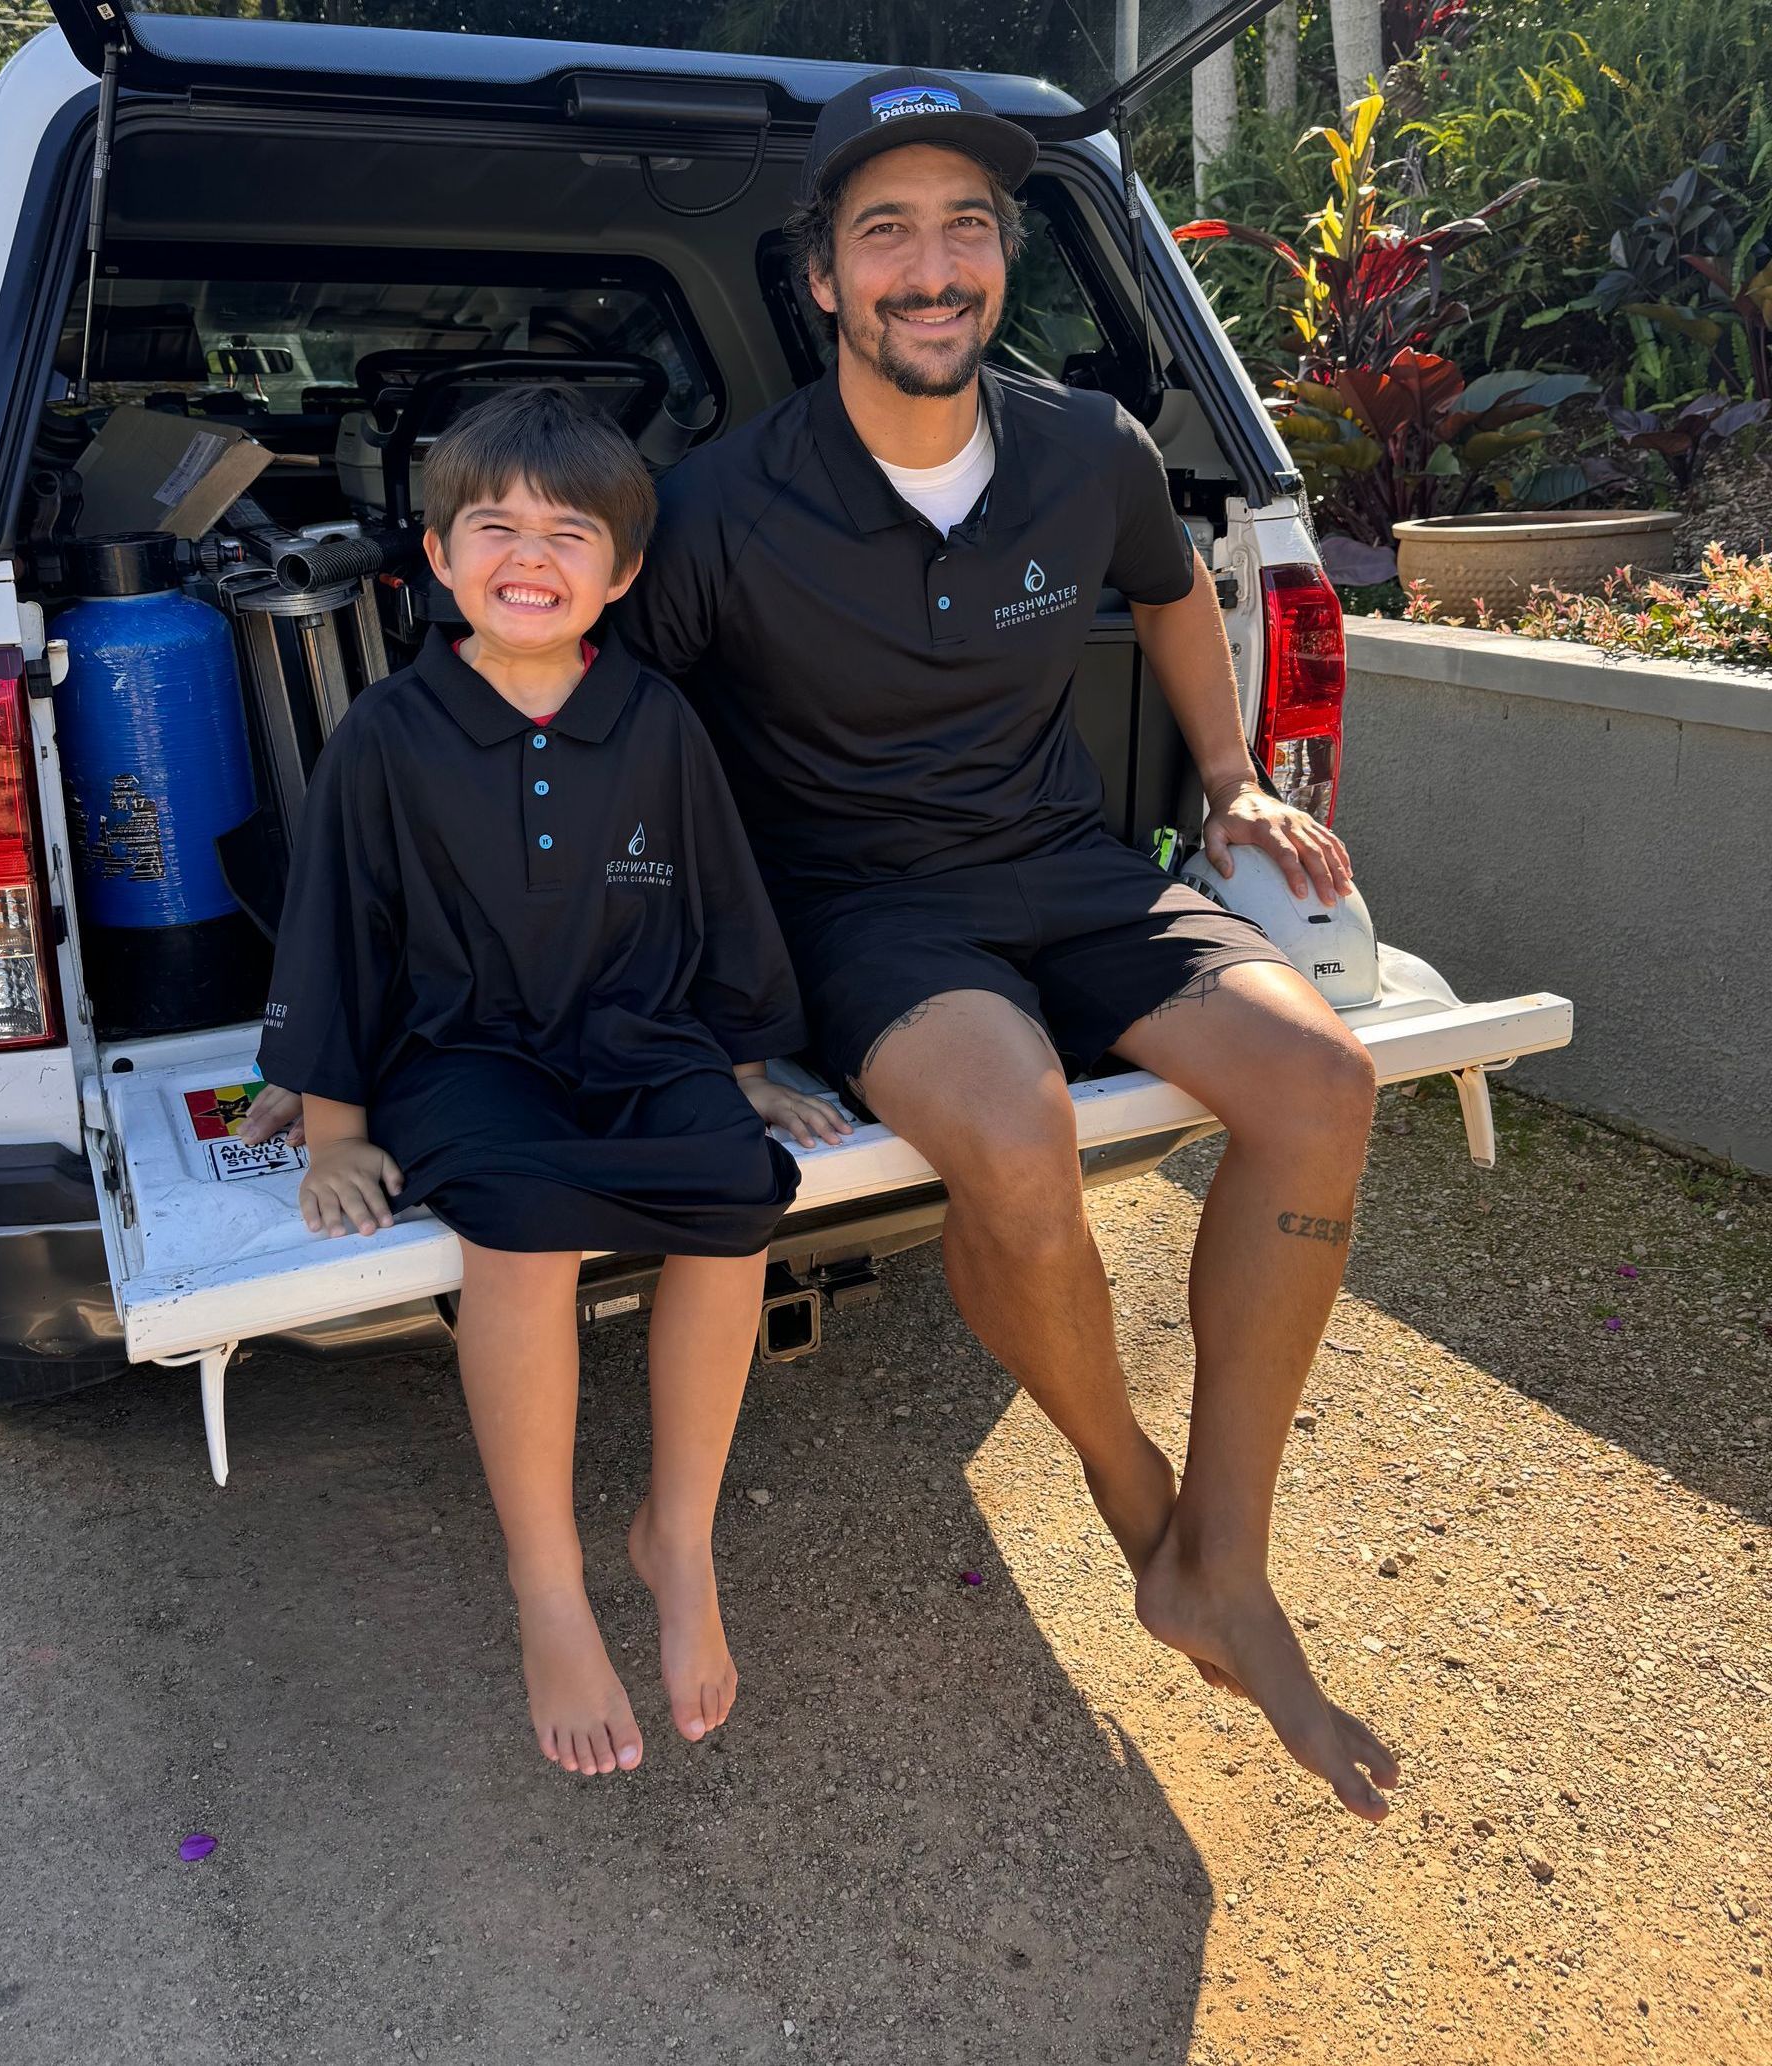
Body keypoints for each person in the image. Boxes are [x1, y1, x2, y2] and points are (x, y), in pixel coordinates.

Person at [252, 68, 1402, 1819]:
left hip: (1072, 867)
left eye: (963, 230)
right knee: (1010, 1126)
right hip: (864, 913)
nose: (929, 269)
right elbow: (587, 731)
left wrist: (1235, 778)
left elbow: (1172, 587)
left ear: (1001, 261)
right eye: (886, 235)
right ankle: (1127, 1494)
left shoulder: (1085, 450)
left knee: (1321, 1082)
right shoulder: (718, 507)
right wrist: (366, 1049)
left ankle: (1219, 1558)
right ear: (821, 282)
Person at [256, 387, 846, 1779]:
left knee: (734, 1194)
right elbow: (337, 932)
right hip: (463, 1051)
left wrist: (747, 1065)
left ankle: (677, 1537)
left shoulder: (657, 722)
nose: (530, 553)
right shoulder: (389, 737)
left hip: (638, 1030)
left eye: (568, 530)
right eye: (495, 526)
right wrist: (333, 1127)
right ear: (439, 554)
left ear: (622, 573)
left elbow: (720, 900)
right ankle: (549, 1583)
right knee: (516, 1230)